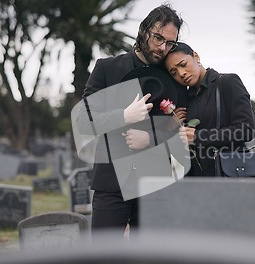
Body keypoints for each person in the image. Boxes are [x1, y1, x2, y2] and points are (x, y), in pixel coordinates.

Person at [80, 4, 186, 235]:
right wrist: (123, 116)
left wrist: (150, 137)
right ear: (144, 29)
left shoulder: (174, 76)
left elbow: (181, 123)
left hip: (155, 183)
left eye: (170, 43)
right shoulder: (106, 68)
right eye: (158, 37)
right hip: (111, 183)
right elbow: (85, 118)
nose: (162, 47)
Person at [164, 42, 255, 177]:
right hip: (197, 182)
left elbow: (245, 130)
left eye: (183, 64)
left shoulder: (227, 83)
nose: (181, 73)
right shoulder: (186, 99)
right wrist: (172, 126)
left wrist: (198, 136)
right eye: (174, 72)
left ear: (196, 56)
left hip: (230, 177)